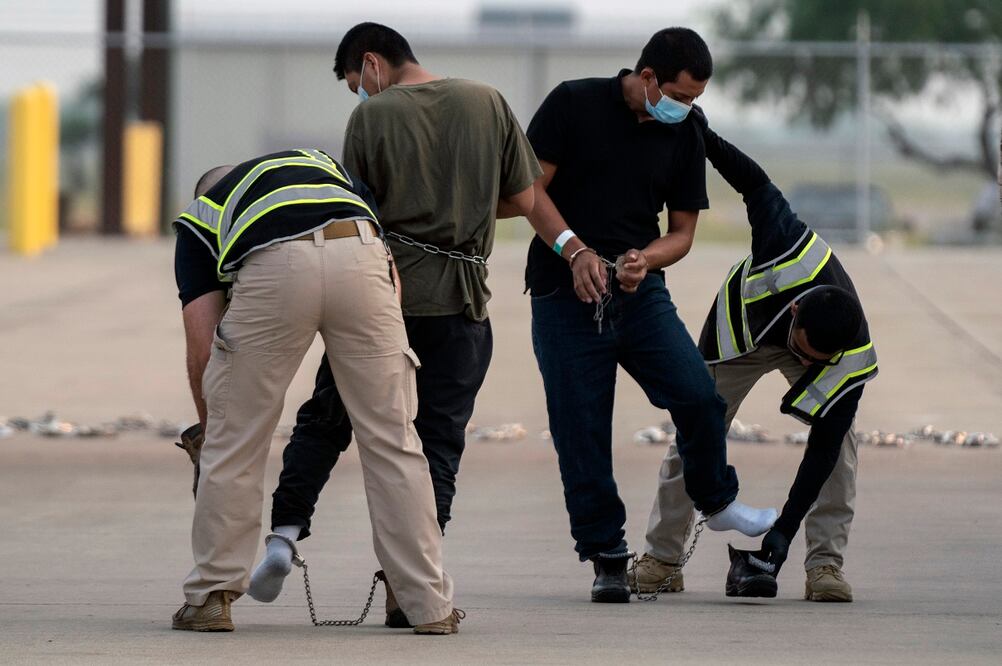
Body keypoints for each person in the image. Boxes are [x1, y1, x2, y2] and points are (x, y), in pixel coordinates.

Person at [245, 23, 540, 625]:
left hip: (380, 300)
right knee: (436, 447)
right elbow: (525, 199)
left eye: (358, 83)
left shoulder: (371, 120)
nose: (361, 94)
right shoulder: (487, 102)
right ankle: (410, 590)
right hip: (460, 306)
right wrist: (468, 199)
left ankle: (283, 535)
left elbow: (354, 210)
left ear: (372, 63)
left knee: (328, 419)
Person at [522, 27, 777, 604]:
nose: (687, 109)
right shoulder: (572, 102)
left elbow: (683, 231)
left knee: (697, 394)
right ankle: (607, 558)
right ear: (646, 79)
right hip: (564, 296)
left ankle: (716, 500)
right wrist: (574, 249)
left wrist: (646, 259)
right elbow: (529, 194)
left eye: (696, 99)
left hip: (640, 295)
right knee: (580, 429)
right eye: (681, 96)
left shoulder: (684, 131)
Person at [170, 149, 460, 634]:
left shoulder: (203, 215)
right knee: (395, 439)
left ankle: (212, 597)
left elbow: (202, 345)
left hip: (273, 267)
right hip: (363, 256)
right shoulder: (323, 167)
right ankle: (429, 606)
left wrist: (210, 433)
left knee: (237, 439)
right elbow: (388, 272)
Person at [632, 113, 878, 601]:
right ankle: (662, 558)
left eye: (817, 362)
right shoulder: (780, 237)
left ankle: (825, 565)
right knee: (695, 431)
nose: (806, 366)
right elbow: (751, 179)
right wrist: (704, 137)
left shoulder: (848, 351)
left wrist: (780, 537)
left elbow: (821, 453)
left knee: (843, 446)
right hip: (737, 337)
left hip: (801, 334)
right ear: (793, 314)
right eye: (804, 354)